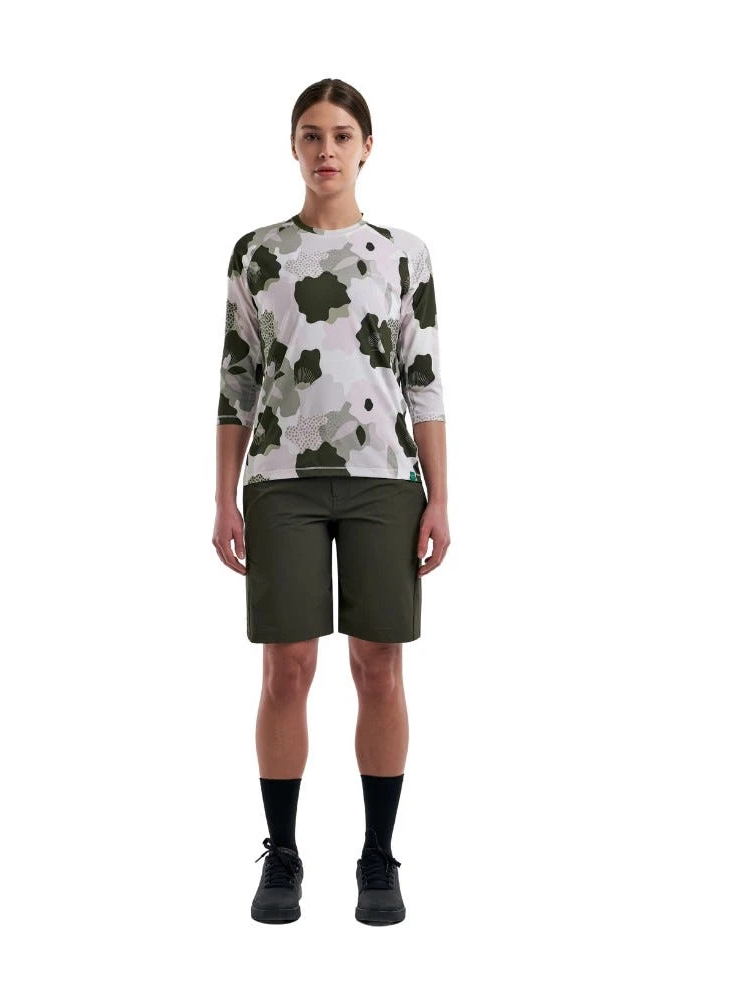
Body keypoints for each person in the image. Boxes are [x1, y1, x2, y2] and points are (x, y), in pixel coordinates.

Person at [212, 78, 450, 925]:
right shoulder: (257, 253)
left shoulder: (403, 253)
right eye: (311, 135)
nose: (326, 150)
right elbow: (236, 383)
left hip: (386, 479)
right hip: (281, 481)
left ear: (366, 147)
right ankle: (282, 854)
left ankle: (378, 857)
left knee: (379, 665)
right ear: (293, 146)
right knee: (287, 667)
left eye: (342, 135)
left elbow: (423, 380)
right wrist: (223, 499)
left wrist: (440, 499)